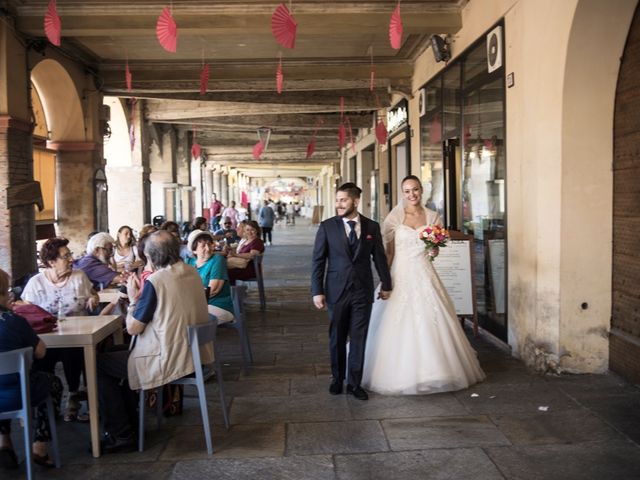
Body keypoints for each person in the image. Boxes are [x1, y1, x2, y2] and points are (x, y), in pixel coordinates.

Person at [362, 175, 485, 395]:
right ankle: (399, 374)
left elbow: (433, 250)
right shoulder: (394, 218)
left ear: (422, 191)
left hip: (424, 272)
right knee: (397, 321)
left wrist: (434, 249)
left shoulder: (433, 216)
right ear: (402, 193)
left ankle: (437, 371)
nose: (412, 195)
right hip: (401, 273)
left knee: (433, 318)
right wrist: (385, 280)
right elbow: (389, 252)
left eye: (416, 190)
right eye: (407, 191)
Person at [96, 230, 213, 453]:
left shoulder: (157, 281)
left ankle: (122, 433)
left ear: (152, 257)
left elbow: (133, 327)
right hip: (194, 354)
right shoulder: (191, 271)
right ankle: (132, 422)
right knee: (119, 352)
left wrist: (132, 300)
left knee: (100, 364)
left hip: (167, 358)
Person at [311, 183, 392, 401]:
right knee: (336, 337)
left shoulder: (371, 227)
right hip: (336, 291)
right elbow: (318, 260)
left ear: (355, 201)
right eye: (337, 200)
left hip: (361, 291)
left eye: (343, 200)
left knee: (359, 337)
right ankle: (337, 379)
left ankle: (355, 383)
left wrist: (386, 284)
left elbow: (380, 258)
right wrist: (317, 291)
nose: (338, 204)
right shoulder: (327, 227)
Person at [22, 237, 99, 422]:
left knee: (71, 352)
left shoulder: (79, 277)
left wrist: (93, 298)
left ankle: (73, 395)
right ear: (51, 262)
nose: (71, 259)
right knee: (41, 358)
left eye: (70, 254)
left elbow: (93, 293)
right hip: (48, 338)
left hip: (77, 336)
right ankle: (47, 403)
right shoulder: (36, 283)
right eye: (66, 256)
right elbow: (27, 311)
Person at [0, 268, 62, 469]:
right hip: (21, 394)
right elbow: (41, 352)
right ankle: (40, 445)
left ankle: (4, 443)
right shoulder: (14, 322)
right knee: (51, 382)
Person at [186, 230, 235, 324]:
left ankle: (201, 338)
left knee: (189, 319)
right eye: (203, 246)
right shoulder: (189, 262)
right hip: (196, 305)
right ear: (194, 250)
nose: (208, 249)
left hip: (219, 306)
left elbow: (213, 290)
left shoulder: (217, 259)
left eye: (209, 244)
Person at [227, 220, 265, 284]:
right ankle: (231, 292)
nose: (249, 232)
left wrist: (235, 255)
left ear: (257, 230)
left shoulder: (257, 242)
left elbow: (252, 255)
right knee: (221, 270)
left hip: (250, 270)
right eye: (247, 230)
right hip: (241, 267)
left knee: (223, 272)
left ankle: (230, 292)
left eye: (252, 230)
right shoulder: (246, 241)